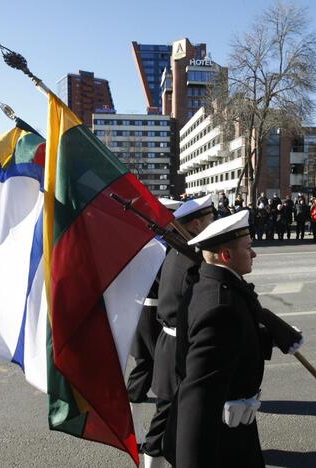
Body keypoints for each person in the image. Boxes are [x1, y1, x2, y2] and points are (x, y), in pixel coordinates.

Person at [170, 210, 302, 467]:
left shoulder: (210, 284)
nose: (254, 254)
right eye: (249, 247)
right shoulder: (222, 306)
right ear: (226, 255)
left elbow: (230, 345)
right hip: (221, 440)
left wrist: (269, 338)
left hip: (233, 426)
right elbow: (197, 394)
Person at [144, 195, 215, 468]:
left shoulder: (179, 251)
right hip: (178, 347)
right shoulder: (191, 258)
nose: (213, 224)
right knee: (168, 414)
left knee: (172, 412)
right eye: (210, 220)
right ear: (196, 224)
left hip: (171, 341)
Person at [127, 198, 181, 451]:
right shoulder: (163, 244)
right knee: (155, 371)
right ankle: (148, 437)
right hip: (155, 313)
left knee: (144, 368)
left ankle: (135, 430)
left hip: (143, 310)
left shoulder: (146, 240)